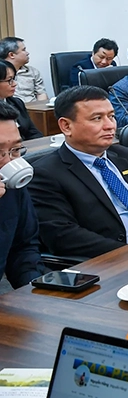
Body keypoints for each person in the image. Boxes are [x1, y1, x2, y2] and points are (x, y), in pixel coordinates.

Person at [27, 86, 128, 259]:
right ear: (66, 126)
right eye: (97, 118)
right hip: (116, 261)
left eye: (111, 116)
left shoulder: (125, 155)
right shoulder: (45, 175)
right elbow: (64, 236)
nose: (109, 125)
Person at [0, 102, 48, 288]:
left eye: (15, 150)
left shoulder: (12, 185)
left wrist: (32, 289)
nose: (9, 162)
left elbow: (23, 247)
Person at [0, 60, 41, 140]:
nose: (14, 84)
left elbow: (34, 133)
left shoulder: (17, 103)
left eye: (14, 79)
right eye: (9, 80)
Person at [0, 37, 47, 102]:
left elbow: (41, 94)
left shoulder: (33, 71)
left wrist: (40, 106)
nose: (27, 53)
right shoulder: (2, 73)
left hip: (33, 107)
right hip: (10, 107)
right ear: (11, 55)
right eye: (23, 50)